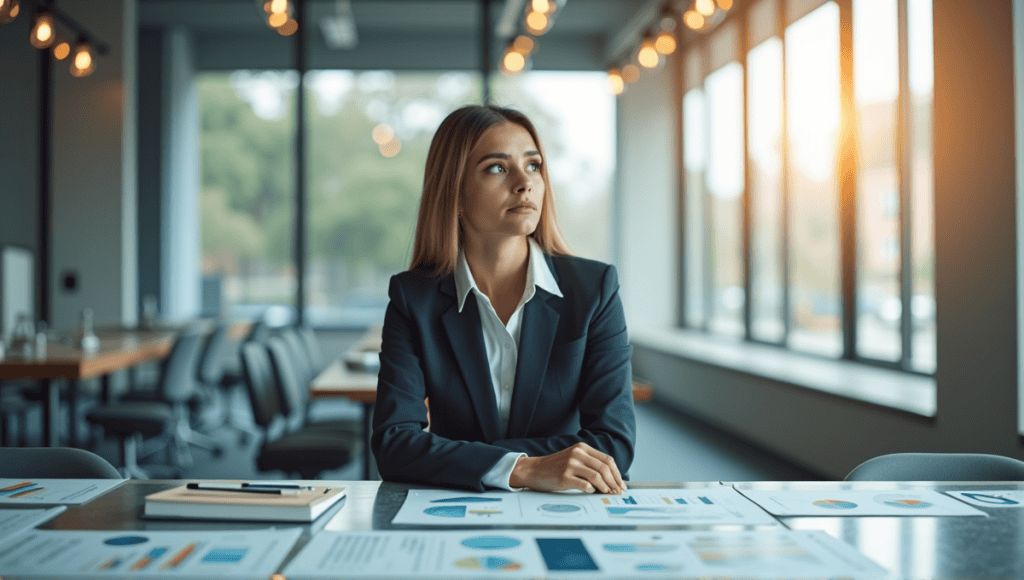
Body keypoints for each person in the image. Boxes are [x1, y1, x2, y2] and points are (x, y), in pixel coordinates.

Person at [372, 104, 635, 493]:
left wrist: (464, 457)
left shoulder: (594, 290)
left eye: (533, 165)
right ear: (455, 191)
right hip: (457, 512)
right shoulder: (415, 298)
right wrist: (523, 469)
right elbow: (393, 444)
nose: (524, 182)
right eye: (497, 167)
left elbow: (613, 443)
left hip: (569, 508)